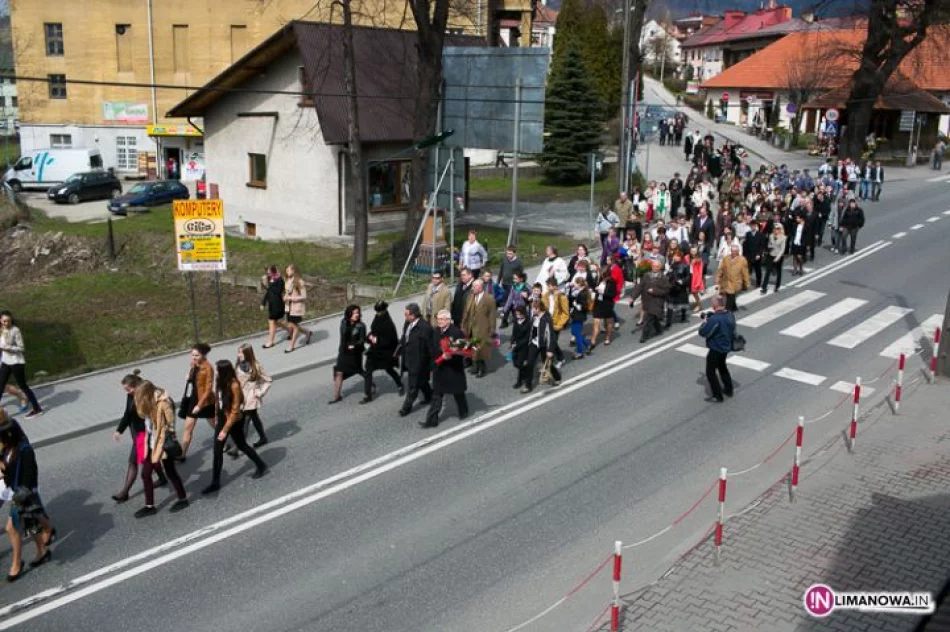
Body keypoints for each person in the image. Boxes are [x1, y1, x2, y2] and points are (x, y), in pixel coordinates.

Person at [0, 411, 55, 581]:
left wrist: (20, 494)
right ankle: (43, 549)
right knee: (28, 523)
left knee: (12, 528)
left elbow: (29, 476)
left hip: (22, 495)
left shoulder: (25, 450)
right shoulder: (8, 450)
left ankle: (16, 563)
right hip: (15, 492)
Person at [201, 360, 268, 495]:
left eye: (217, 370)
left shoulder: (234, 385)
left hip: (233, 420)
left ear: (223, 371)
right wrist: (216, 416)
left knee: (242, 445)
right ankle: (215, 482)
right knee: (217, 451)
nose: (215, 372)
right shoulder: (220, 381)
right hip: (222, 418)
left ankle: (261, 465)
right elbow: (218, 401)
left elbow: (235, 410)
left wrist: (225, 430)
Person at [131, 381, 189, 517]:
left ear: (147, 393)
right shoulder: (147, 402)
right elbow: (146, 422)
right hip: (151, 443)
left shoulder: (164, 403)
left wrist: (167, 438)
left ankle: (183, 499)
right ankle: (149, 506)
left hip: (162, 443)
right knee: (146, 474)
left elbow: (171, 423)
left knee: (170, 472)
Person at [111, 370, 166, 503]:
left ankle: (125, 492)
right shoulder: (131, 395)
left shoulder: (147, 395)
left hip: (145, 433)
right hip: (135, 431)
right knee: (147, 459)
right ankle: (162, 477)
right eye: (125, 389)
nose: (127, 392)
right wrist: (119, 430)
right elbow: (127, 413)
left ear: (136, 386)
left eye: (129, 389)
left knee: (133, 461)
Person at [422, 310, 469, 428]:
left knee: (458, 392)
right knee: (437, 395)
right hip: (440, 369)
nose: (439, 322)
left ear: (448, 320)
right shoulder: (436, 331)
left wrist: (451, 355)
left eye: (442, 319)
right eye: (438, 319)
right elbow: (433, 347)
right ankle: (432, 420)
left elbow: (463, 350)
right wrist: (439, 355)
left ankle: (463, 411)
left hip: (453, 369)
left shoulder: (456, 332)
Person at [0, 312, 42, 419]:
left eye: (8, 321)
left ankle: (37, 409)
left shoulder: (15, 330)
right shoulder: (1, 330)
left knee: (23, 386)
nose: (6, 323)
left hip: (16, 362)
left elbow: (21, 348)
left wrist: (8, 348)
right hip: (6, 361)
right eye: (4, 321)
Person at [361, 301, 403, 404]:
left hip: (385, 352)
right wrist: (369, 337)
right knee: (368, 371)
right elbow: (374, 330)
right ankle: (368, 394)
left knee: (389, 369)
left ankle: (400, 385)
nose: (378, 313)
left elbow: (389, 340)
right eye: (377, 311)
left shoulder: (388, 323)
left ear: (384, 310)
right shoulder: (377, 317)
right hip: (374, 351)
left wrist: (375, 340)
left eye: (380, 311)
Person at [180, 342, 215, 461]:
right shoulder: (194, 363)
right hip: (193, 399)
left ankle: (224, 443)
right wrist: (189, 376)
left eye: (196, 355)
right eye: (192, 355)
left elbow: (208, 389)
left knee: (214, 425)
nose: (193, 357)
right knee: (188, 427)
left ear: (204, 355)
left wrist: (200, 405)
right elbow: (193, 377)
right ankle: (182, 454)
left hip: (205, 401)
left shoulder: (208, 368)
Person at [397, 304, 433, 417]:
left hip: (419, 361)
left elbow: (430, 347)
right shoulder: (408, 323)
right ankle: (429, 395)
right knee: (421, 381)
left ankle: (406, 407)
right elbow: (405, 336)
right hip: (408, 358)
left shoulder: (425, 327)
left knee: (412, 385)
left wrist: (431, 364)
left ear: (413, 315)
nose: (404, 316)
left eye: (406, 314)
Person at [698, 296, 736, 403]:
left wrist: (705, 322)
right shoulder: (730, 315)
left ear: (716, 305)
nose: (712, 305)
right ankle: (729, 389)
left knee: (710, 371)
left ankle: (717, 395)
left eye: (712, 303)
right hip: (726, 347)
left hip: (716, 348)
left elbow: (703, 332)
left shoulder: (715, 319)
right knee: (722, 367)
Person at [519, 299, 561, 393]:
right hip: (534, 344)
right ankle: (528, 386)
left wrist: (550, 350)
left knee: (547, 363)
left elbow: (551, 335)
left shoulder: (546, 319)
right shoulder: (534, 317)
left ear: (538, 309)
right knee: (530, 364)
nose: (532, 310)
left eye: (533, 308)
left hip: (544, 345)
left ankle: (557, 378)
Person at [235, 344, 272, 448]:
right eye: (238, 352)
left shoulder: (255, 365)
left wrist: (260, 392)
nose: (238, 355)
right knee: (254, 418)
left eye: (241, 352)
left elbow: (268, 379)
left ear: (247, 353)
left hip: (251, 397)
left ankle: (239, 446)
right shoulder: (238, 366)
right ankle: (263, 437)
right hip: (241, 398)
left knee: (245, 420)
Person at [329, 305, 366, 404]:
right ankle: (336, 396)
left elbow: (362, 340)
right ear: (349, 314)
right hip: (344, 352)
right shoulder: (344, 322)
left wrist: (354, 345)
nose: (356, 315)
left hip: (355, 353)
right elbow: (343, 336)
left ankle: (370, 383)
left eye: (357, 313)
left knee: (359, 370)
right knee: (339, 372)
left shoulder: (361, 326)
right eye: (354, 313)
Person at [461, 280, 497, 378]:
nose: (472, 288)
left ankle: (482, 368)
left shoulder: (489, 299)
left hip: (482, 328)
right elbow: (466, 312)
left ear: (480, 287)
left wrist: (492, 329)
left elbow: (492, 316)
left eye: (474, 287)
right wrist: (463, 324)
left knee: (480, 349)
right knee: (473, 347)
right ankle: (475, 366)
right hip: (471, 327)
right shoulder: (471, 297)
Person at [629, 259, 670, 343]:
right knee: (653, 317)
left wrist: (654, 291)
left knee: (647, 319)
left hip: (657, 302)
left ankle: (644, 337)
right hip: (647, 301)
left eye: (657, 266)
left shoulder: (664, 278)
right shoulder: (646, 275)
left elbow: (666, 291)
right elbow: (640, 287)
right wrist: (633, 297)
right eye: (653, 266)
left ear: (660, 267)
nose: (655, 268)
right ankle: (658, 329)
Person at [283, 264, 313, 353]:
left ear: (294, 271)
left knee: (295, 326)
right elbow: (287, 293)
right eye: (286, 270)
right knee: (292, 325)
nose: (287, 272)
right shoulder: (287, 281)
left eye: (289, 270)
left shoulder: (299, 281)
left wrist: (292, 298)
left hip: (296, 307)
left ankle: (291, 346)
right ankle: (307, 332)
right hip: (289, 307)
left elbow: (304, 296)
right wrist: (285, 298)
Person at [543, 276, 570, 368]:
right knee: (549, 341)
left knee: (552, 342)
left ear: (555, 286)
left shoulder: (561, 297)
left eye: (549, 286)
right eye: (547, 286)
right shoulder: (546, 295)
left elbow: (566, 313)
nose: (548, 288)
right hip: (547, 321)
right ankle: (554, 357)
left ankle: (560, 358)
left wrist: (559, 324)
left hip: (556, 323)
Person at [715, 244, 750, 313]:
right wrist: (717, 277)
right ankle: (734, 307)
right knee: (728, 295)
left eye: (735, 251)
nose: (733, 253)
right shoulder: (726, 259)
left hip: (735, 282)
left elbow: (745, 273)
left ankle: (727, 311)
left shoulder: (742, 260)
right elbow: (721, 269)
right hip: (726, 281)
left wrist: (747, 283)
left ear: (738, 251)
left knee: (730, 296)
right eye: (732, 251)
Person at [261, 265, 289, 349]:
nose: (268, 273)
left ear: (274, 271)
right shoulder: (271, 279)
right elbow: (268, 292)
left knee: (271, 321)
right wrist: (263, 303)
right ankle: (290, 330)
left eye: (269, 271)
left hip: (278, 304)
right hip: (272, 304)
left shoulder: (279, 280)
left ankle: (270, 341)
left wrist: (271, 284)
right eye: (267, 272)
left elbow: (278, 291)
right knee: (276, 322)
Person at [497, 246, 525, 324]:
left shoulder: (519, 262)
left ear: (514, 253)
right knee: (506, 302)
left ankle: (515, 317)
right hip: (504, 284)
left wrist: (521, 285)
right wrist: (498, 282)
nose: (508, 255)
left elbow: (521, 275)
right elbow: (501, 271)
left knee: (513, 302)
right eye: (507, 253)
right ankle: (504, 321)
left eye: (510, 254)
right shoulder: (504, 259)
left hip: (513, 285)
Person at [568, 277, 592, 359]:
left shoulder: (582, 294)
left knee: (577, 334)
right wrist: (571, 289)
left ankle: (580, 352)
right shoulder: (579, 291)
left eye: (575, 282)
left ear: (579, 284)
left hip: (579, 316)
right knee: (574, 332)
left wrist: (575, 304)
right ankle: (587, 344)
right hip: (577, 315)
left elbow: (583, 307)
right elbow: (571, 298)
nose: (574, 284)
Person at [666, 251, 691, 327]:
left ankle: (683, 316)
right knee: (670, 304)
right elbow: (669, 274)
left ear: (680, 257)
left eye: (677, 256)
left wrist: (682, 281)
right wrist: (668, 274)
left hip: (680, 287)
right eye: (674, 256)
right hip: (672, 287)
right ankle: (668, 321)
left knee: (682, 303)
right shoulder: (672, 265)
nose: (675, 257)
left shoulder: (685, 266)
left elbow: (688, 277)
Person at [509, 306, 532, 389]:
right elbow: (513, 333)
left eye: (519, 314)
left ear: (523, 314)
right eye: (516, 314)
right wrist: (512, 342)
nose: (517, 315)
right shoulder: (516, 321)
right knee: (515, 362)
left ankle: (519, 381)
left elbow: (527, 338)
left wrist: (517, 345)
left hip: (524, 346)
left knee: (520, 363)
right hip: (516, 345)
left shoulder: (528, 323)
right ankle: (525, 372)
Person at [760, 224, 787, 294]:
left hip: (779, 256)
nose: (776, 230)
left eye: (778, 229)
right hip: (771, 255)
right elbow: (768, 244)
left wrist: (777, 258)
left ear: (781, 229)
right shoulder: (771, 236)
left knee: (778, 271)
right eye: (775, 228)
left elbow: (782, 250)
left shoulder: (783, 237)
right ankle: (764, 287)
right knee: (767, 271)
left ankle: (777, 286)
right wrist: (770, 246)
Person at [742, 220, 766, 288]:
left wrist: (759, 254)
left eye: (754, 226)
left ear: (756, 226)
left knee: (758, 270)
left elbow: (762, 246)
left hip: (757, 255)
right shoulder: (748, 234)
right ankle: (746, 283)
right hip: (749, 255)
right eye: (751, 226)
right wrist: (744, 255)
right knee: (748, 270)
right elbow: (745, 245)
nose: (753, 227)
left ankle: (758, 283)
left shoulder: (760, 235)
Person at [689, 244, 706, 313]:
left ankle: (699, 305)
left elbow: (700, 271)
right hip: (689, 276)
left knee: (695, 292)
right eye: (692, 251)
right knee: (692, 292)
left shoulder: (698, 259)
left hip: (695, 278)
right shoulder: (688, 257)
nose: (693, 252)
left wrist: (698, 281)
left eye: (694, 251)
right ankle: (697, 304)